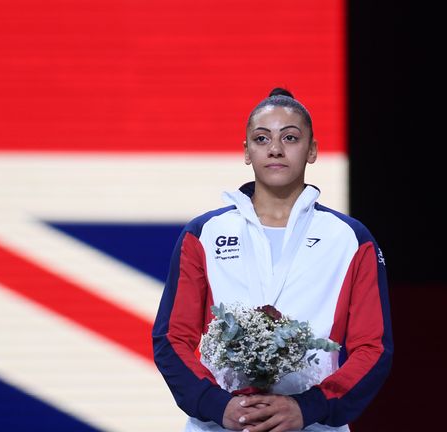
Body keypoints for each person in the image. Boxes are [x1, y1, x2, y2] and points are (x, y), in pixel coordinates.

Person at [152, 88, 393, 431]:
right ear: (246, 151)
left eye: (290, 137)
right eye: (261, 138)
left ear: (312, 150)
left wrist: (310, 408)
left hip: (313, 426)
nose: (275, 148)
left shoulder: (350, 239)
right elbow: (172, 337)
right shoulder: (204, 233)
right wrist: (218, 406)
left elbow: (373, 348)